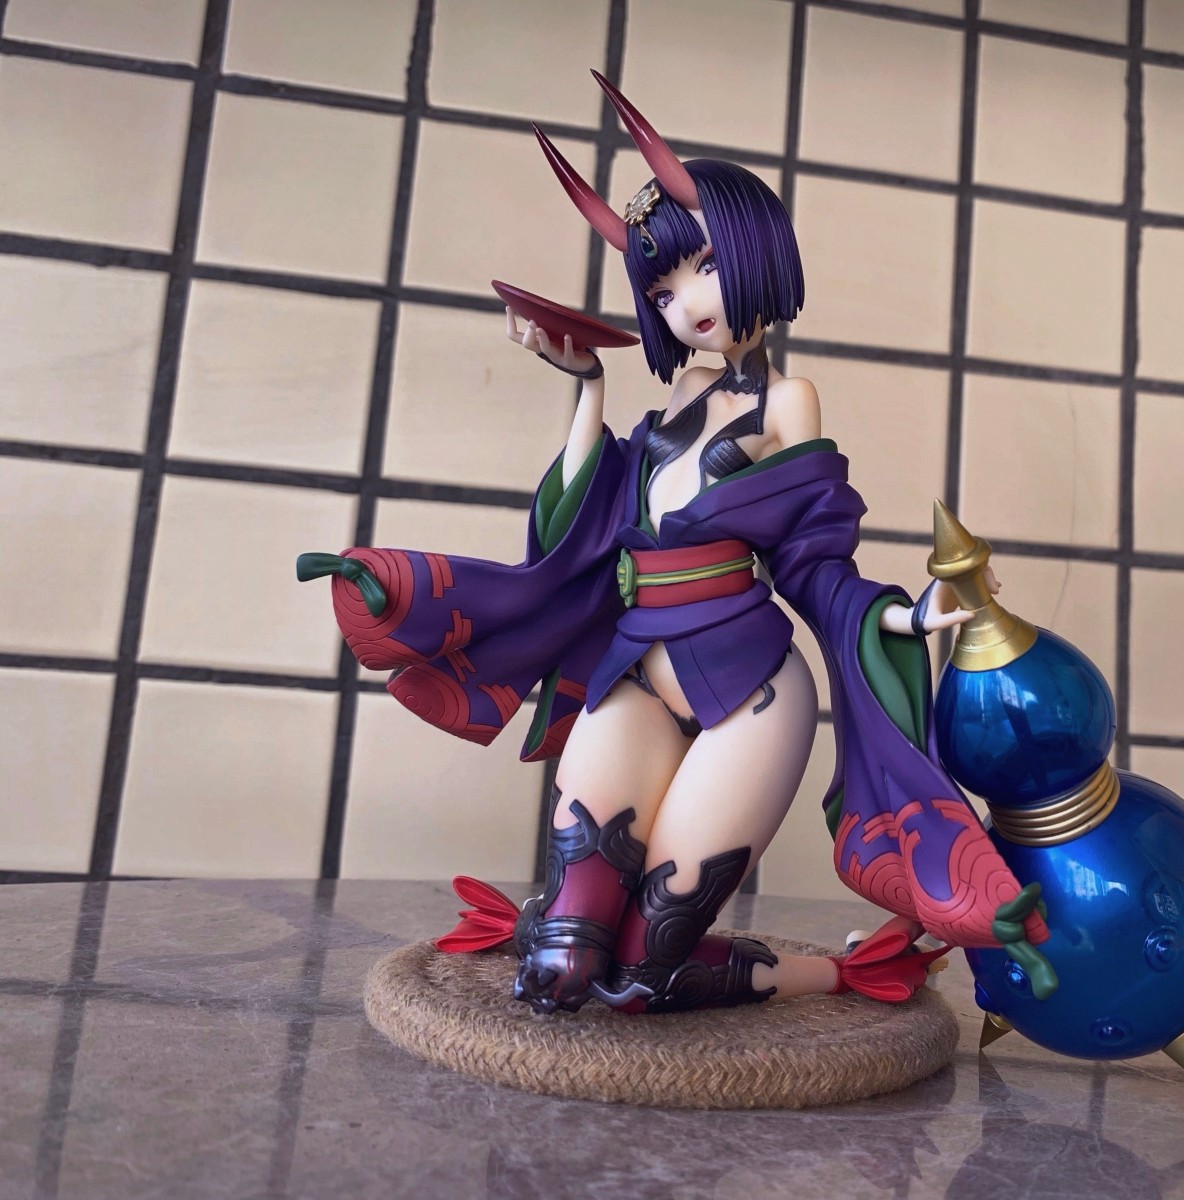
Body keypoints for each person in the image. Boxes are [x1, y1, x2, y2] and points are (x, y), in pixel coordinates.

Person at [299, 73, 1051, 1017]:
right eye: (662, 288)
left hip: (749, 692)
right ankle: (548, 923)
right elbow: (585, 523)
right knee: (566, 956)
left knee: (641, 973)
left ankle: (848, 973)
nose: (687, 302)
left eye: (704, 267)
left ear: (756, 248)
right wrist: (587, 388)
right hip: (636, 676)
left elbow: (812, 558)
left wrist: (900, 616)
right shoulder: (676, 400)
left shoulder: (788, 401)